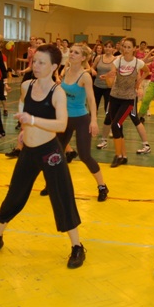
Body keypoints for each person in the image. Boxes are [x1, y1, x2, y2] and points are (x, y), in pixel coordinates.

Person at [0, 44, 86, 269]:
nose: (35, 66)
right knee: (14, 194)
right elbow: (23, 106)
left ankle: (77, 246)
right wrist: (24, 128)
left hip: (50, 151)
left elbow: (61, 124)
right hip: (29, 151)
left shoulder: (57, 93)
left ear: (54, 67)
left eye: (41, 63)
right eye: (34, 61)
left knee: (62, 196)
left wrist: (32, 120)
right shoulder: (26, 86)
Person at [44, 43, 108, 201]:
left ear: (83, 58)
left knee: (85, 156)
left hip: (80, 119)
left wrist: (94, 121)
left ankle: (102, 186)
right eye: (71, 51)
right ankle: (52, 184)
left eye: (76, 53)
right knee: (55, 153)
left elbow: (91, 100)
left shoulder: (85, 76)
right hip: (64, 119)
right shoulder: (65, 70)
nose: (71, 54)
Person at [102, 37, 151, 166]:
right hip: (114, 97)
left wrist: (139, 82)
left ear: (134, 48)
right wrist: (107, 77)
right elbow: (110, 82)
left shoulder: (138, 63)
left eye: (129, 47)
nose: (126, 49)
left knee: (115, 125)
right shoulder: (117, 61)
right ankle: (123, 156)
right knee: (118, 127)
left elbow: (147, 71)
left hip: (128, 99)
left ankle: (118, 156)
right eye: (124, 47)